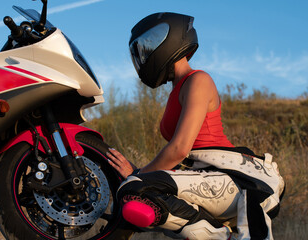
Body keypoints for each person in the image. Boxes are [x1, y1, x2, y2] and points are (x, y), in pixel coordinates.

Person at [106, 12, 284, 240]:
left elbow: (179, 149)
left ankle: (219, 237)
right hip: (206, 178)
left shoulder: (198, 80)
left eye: (148, 46)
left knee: (134, 189)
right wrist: (140, 176)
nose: (143, 56)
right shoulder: (177, 89)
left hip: (235, 180)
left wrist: (138, 175)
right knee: (137, 198)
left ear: (169, 39)